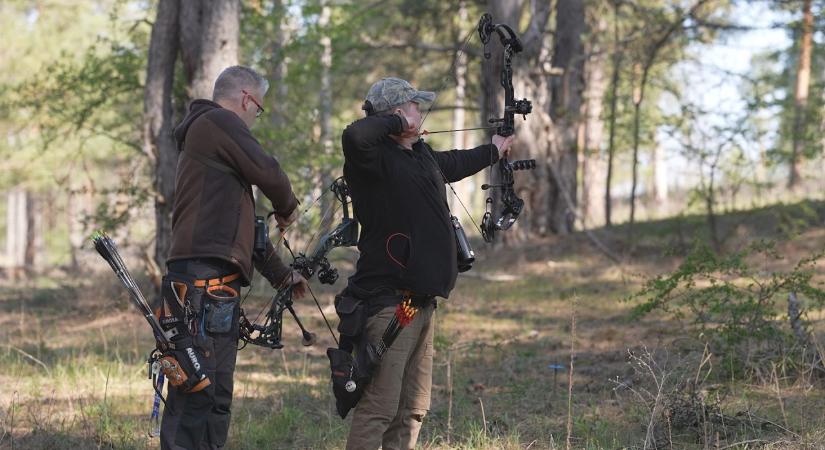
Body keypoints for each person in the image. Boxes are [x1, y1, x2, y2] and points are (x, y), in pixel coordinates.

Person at [340, 77, 514, 450]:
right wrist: (395, 123)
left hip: (420, 302)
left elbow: (454, 162)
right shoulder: (370, 160)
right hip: (388, 301)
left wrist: (493, 151)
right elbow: (355, 135)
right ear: (398, 114)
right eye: (414, 107)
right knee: (380, 408)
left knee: (412, 409)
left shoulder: (419, 156)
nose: (421, 113)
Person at [158, 65, 308, 449]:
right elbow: (270, 171)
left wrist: (282, 276)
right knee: (195, 390)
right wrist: (287, 207)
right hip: (198, 286)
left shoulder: (222, 153)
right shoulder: (217, 122)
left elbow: (247, 232)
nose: (255, 118)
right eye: (258, 109)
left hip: (216, 291)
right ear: (246, 98)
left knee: (217, 397)